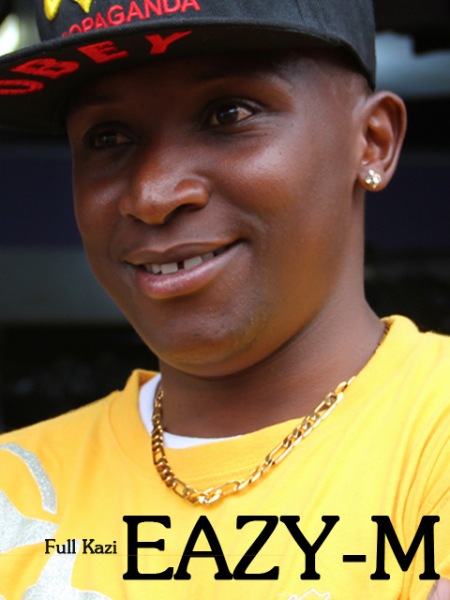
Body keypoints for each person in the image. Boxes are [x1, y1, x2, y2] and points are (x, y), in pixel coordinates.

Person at [0, 0, 448, 598]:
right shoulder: (15, 490)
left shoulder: (433, 432)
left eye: (228, 113)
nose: (153, 194)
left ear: (372, 142)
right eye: (108, 138)